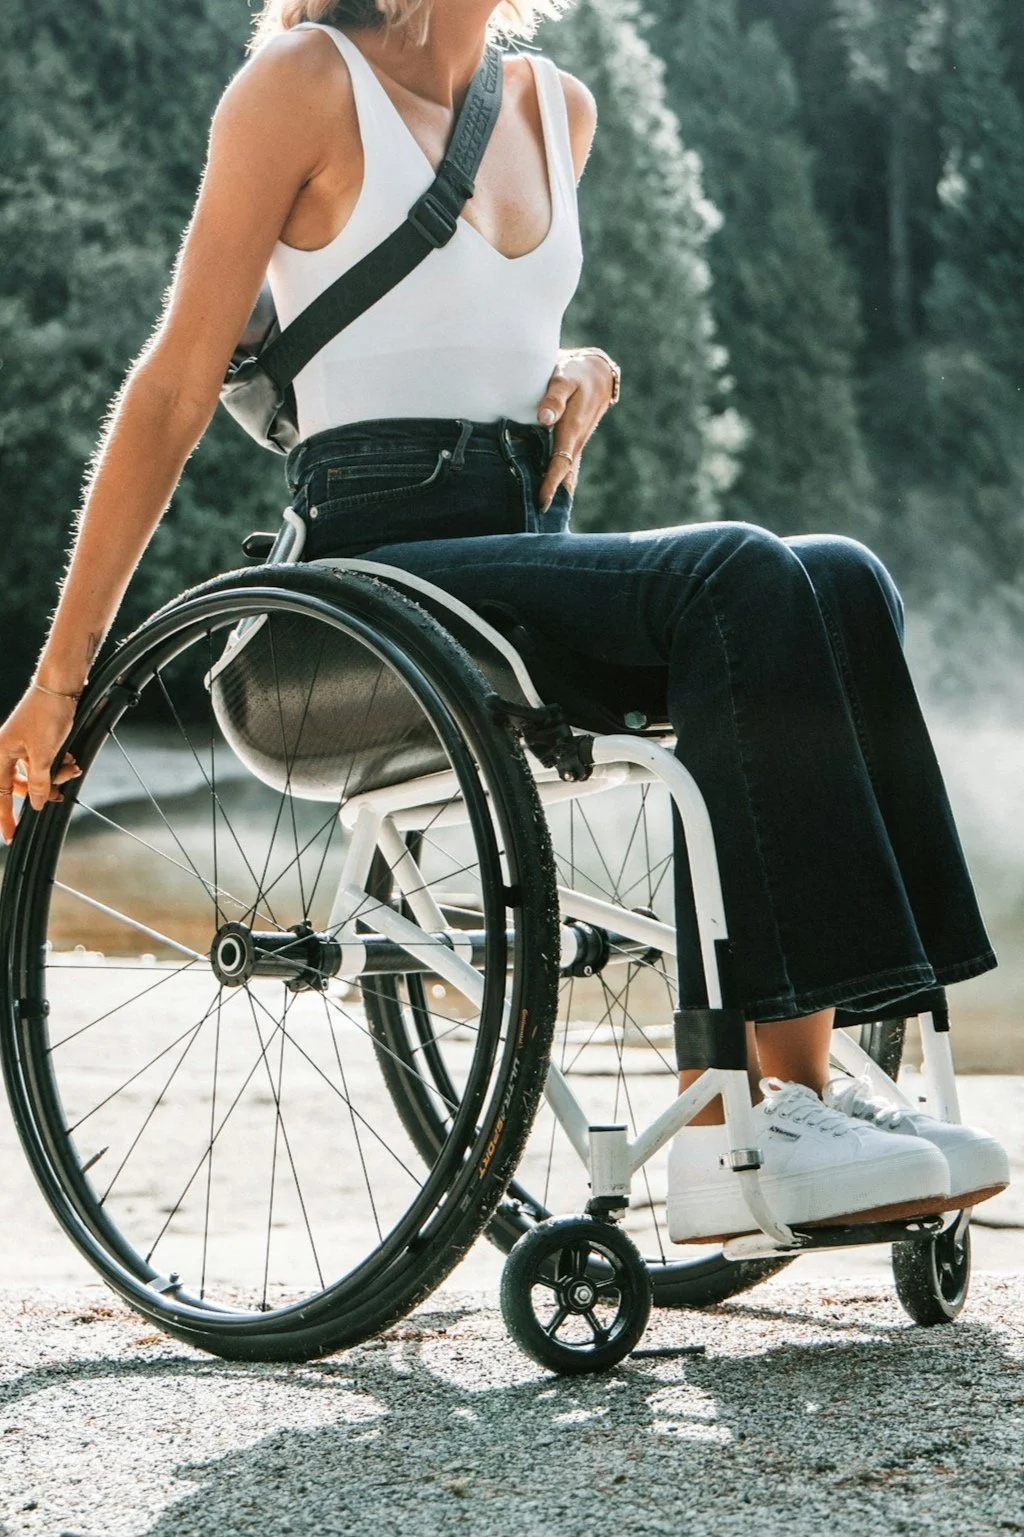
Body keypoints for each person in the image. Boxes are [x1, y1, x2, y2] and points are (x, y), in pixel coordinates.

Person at [0, 0, 1007, 1241]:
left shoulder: (556, 109)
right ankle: (749, 1122)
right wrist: (60, 676)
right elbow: (172, 386)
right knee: (740, 572)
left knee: (840, 578)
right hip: (366, 588)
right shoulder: (301, 83)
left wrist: (578, 367)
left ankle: (797, 1093)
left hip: (514, 556)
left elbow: (460, 331)